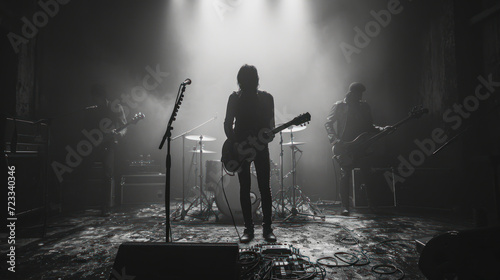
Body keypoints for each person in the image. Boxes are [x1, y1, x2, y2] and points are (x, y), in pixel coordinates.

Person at [224, 64, 276, 243]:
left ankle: (266, 229)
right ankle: (250, 229)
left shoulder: (267, 98)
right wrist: (236, 145)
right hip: (241, 150)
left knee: (263, 188)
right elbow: (227, 124)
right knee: (247, 188)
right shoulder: (234, 98)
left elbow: (271, 127)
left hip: (260, 148)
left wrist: (266, 137)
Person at [325, 82, 389, 215]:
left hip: (362, 146)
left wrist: (382, 129)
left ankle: (372, 205)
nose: (360, 96)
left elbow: (370, 126)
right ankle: (345, 206)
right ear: (351, 93)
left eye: (361, 94)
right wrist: (335, 140)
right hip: (345, 146)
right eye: (358, 94)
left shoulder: (364, 106)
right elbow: (328, 124)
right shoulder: (339, 106)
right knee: (345, 175)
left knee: (368, 175)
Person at [87, 84, 127, 216]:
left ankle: (106, 206)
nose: (94, 102)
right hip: (91, 144)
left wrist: (118, 134)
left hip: (109, 144)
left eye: (96, 98)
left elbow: (124, 126)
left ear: (102, 97)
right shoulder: (93, 109)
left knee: (107, 174)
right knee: (86, 169)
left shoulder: (115, 108)